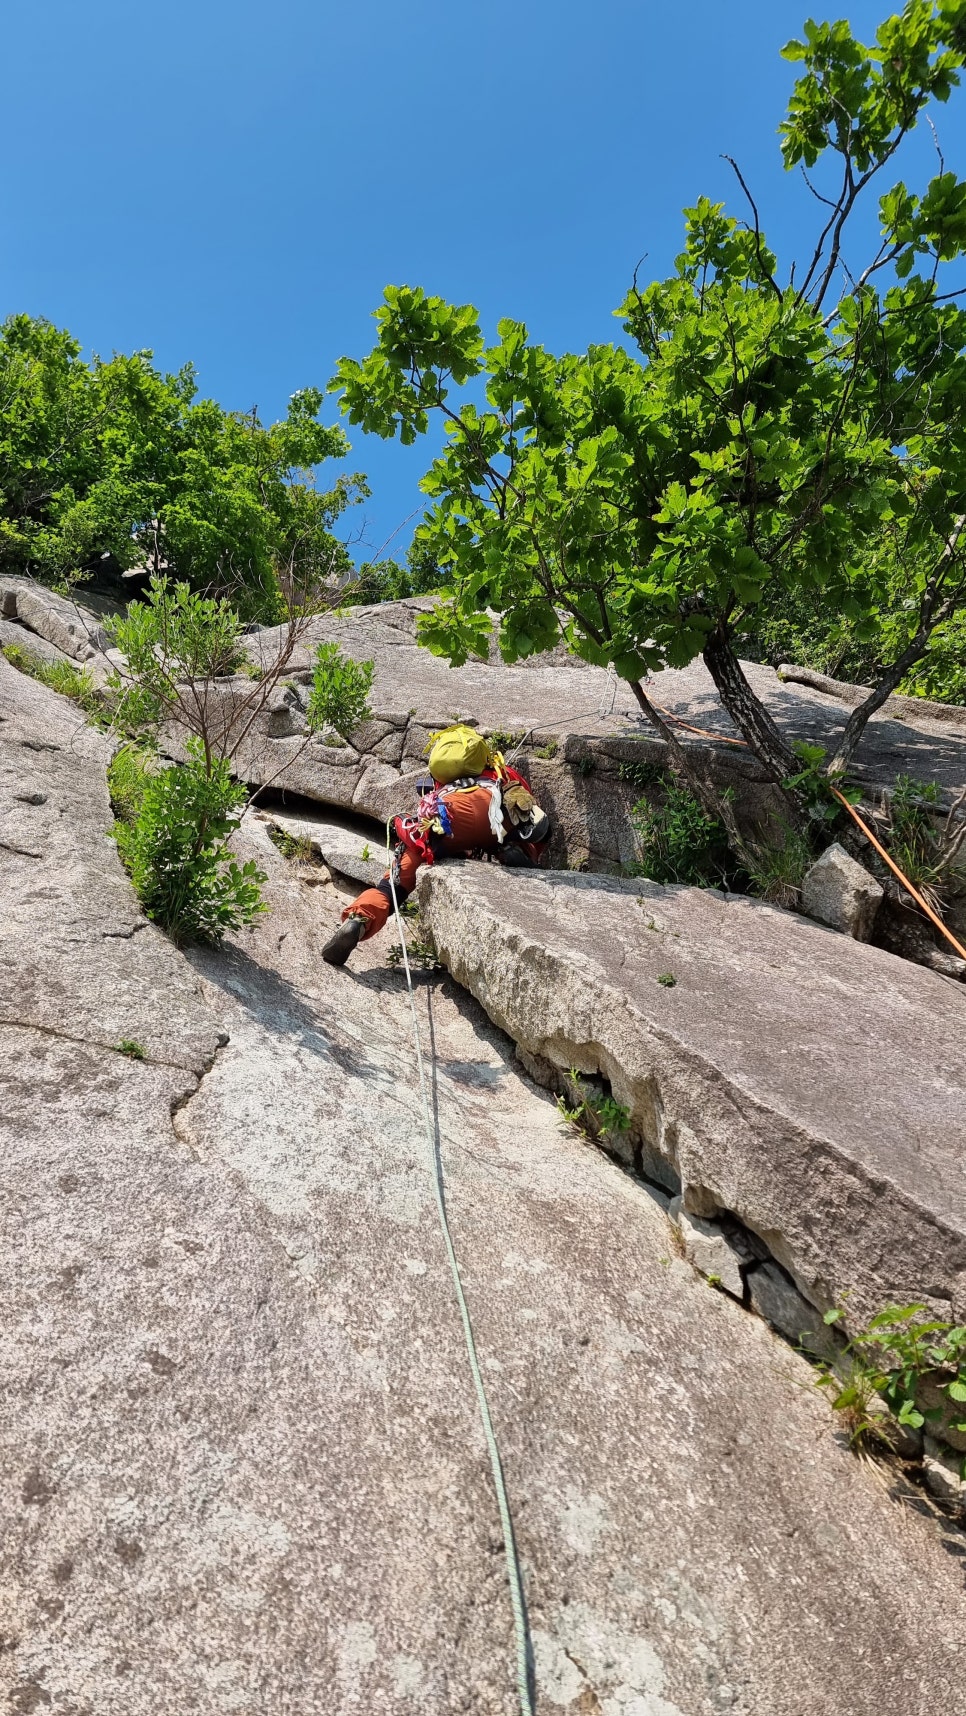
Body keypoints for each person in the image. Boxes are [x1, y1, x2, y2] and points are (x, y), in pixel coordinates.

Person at [321, 730, 550, 967]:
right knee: (517, 828)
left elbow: (427, 812)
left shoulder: (439, 781)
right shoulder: (502, 772)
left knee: (399, 876)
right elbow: (535, 820)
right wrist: (535, 847)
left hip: (449, 817)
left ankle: (361, 918)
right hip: (494, 814)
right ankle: (517, 853)